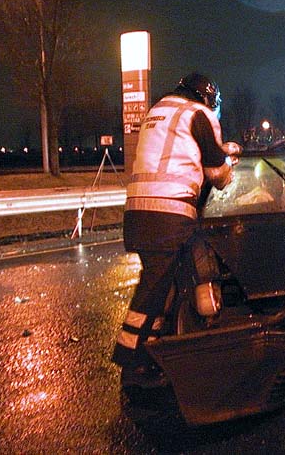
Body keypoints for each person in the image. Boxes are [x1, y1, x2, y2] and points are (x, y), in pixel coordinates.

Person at [112, 72, 241, 390]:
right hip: (169, 213)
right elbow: (217, 175)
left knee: (162, 284)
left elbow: (177, 151)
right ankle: (131, 363)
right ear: (209, 97)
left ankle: (153, 353)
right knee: (153, 289)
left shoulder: (159, 111)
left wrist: (220, 148)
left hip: (138, 212)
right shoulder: (201, 114)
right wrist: (229, 163)